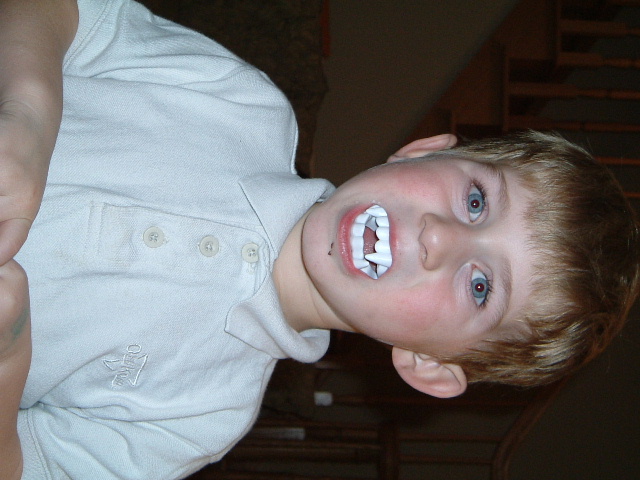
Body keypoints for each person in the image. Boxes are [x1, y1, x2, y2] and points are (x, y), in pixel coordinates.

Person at [0, 0, 638, 479]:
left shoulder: (200, 417)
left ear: (430, 364)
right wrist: (28, 108)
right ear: (423, 152)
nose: (439, 238)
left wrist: (8, 364)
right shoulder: (240, 104)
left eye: (480, 287)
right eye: (476, 201)